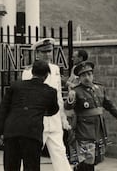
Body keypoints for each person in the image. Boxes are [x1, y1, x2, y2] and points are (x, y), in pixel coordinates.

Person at [0, 60, 60, 171]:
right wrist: (40, 112)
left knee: (11, 167)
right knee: (31, 167)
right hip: (32, 133)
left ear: (32, 72)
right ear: (46, 75)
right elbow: (53, 110)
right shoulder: (50, 92)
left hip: (12, 131)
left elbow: (3, 109)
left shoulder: (16, 85)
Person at [22, 38, 72, 171]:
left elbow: (58, 97)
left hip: (54, 119)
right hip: (39, 119)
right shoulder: (29, 71)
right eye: (44, 52)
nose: (48, 55)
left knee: (60, 151)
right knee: (32, 154)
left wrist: (63, 118)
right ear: (37, 53)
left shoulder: (55, 69)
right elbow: (27, 98)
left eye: (50, 51)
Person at [65, 61, 117, 171]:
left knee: (95, 158)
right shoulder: (76, 91)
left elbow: (109, 105)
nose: (87, 78)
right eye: (83, 75)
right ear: (79, 78)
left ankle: (78, 169)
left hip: (99, 129)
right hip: (84, 129)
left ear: (92, 75)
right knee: (87, 157)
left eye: (89, 74)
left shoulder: (99, 88)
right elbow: (68, 107)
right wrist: (70, 99)